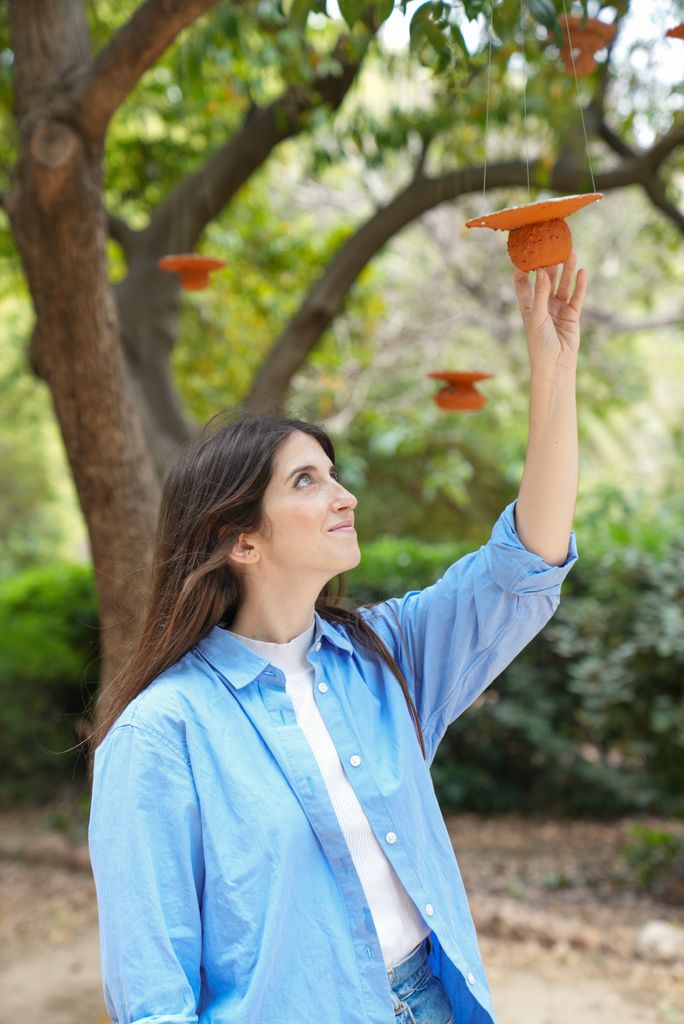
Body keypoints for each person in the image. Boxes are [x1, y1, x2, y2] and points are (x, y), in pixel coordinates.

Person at [88, 255, 587, 1024]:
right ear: (240, 540)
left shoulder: (387, 658)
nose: (344, 496)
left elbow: (524, 566)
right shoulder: (161, 735)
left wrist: (555, 370)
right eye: (306, 481)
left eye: (332, 473)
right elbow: (153, 997)